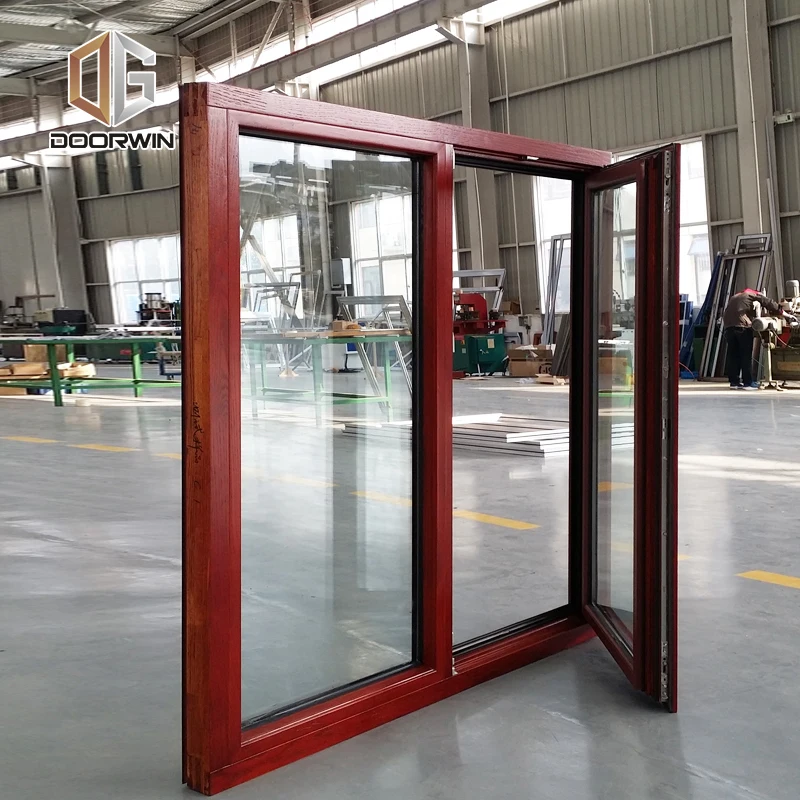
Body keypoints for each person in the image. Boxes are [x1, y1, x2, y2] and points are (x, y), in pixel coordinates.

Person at [722, 288, 783, 390]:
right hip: (742, 327)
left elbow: (744, 310)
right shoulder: (752, 295)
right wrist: (783, 312)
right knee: (746, 355)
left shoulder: (735, 297)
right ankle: (748, 383)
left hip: (728, 328)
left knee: (733, 355)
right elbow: (768, 302)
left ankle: (734, 382)